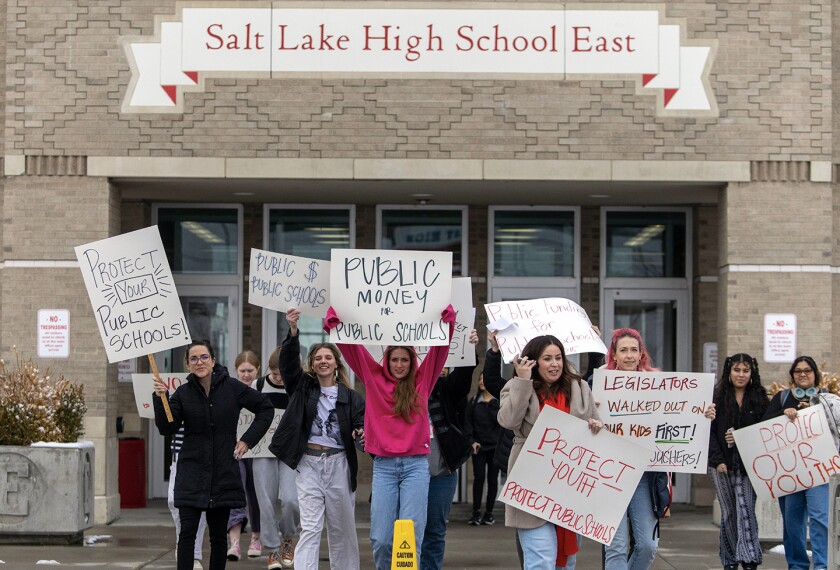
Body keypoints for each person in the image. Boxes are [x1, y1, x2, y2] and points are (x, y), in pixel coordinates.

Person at [324, 304, 456, 570]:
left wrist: (448, 324)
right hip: (384, 467)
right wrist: (336, 326)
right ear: (387, 360)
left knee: (410, 537)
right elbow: (354, 350)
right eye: (394, 359)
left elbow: (440, 351)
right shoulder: (373, 378)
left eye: (404, 360)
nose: (399, 365)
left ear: (412, 361)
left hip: (416, 467)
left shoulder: (423, 381)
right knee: (383, 539)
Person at [153, 340, 274, 570]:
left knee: (218, 537)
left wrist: (248, 440)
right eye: (194, 359)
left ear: (214, 360)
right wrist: (160, 399)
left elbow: (265, 408)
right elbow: (166, 428)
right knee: (187, 535)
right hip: (191, 473)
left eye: (204, 357)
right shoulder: (183, 393)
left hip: (223, 472)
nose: (199, 362)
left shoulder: (232, 388)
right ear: (188, 364)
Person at [602, 327, 716, 570]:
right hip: (609, 474)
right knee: (616, 547)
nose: (629, 355)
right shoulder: (598, 384)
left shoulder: (660, 386)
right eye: (623, 350)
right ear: (614, 355)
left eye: (634, 350)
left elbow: (683, 414)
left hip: (645, 476)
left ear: (641, 353)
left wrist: (703, 413)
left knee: (647, 546)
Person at [268, 308, 365, 570]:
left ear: (336, 363)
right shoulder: (302, 388)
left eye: (328, 357)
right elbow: (287, 365)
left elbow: (360, 425)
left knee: (342, 528)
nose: (323, 361)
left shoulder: (350, 396)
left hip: (339, 464)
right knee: (310, 527)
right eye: (318, 358)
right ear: (312, 363)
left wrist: (361, 434)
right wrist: (293, 330)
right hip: (309, 463)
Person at [497, 335, 604, 570]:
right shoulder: (515, 386)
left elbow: (597, 428)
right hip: (532, 484)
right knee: (540, 560)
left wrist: (596, 428)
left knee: (566, 565)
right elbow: (508, 421)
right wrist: (523, 382)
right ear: (534, 361)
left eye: (558, 358)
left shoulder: (580, 387)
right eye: (547, 358)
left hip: (569, 487)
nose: (555, 364)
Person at [762, 355, 829, 570]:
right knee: (793, 523)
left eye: (807, 370)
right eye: (798, 371)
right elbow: (763, 426)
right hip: (790, 472)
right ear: (792, 375)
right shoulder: (781, 398)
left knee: (820, 520)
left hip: (819, 470)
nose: (803, 374)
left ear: (815, 374)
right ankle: (797, 565)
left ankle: (821, 565)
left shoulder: (828, 398)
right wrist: (783, 413)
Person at [421, 328, 479, 570]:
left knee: (434, 530)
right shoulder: (400, 388)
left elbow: (462, 381)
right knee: (403, 529)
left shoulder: (444, 390)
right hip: (404, 472)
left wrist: (468, 351)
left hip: (440, 474)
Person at [708, 353, 767, 570]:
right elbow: (708, 431)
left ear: (752, 373)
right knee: (729, 512)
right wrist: (717, 460)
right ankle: (730, 560)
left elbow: (765, 430)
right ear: (729, 372)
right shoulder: (716, 397)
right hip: (720, 463)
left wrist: (741, 435)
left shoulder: (759, 398)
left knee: (745, 508)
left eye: (746, 371)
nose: (741, 375)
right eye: (737, 370)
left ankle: (750, 559)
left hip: (748, 464)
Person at [252, 346, 301, 570]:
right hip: (263, 450)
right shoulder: (259, 386)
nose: (279, 378)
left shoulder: (297, 386)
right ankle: (272, 550)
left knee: (291, 500)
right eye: (274, 373)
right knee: (265, 502)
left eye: (282, 373)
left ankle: (288, 537)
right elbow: (246, 416)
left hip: (289, 452)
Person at [226, 351, 263, 561]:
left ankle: (256, 536)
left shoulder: (263, 390)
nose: (247, 375)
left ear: (257, 370)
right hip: (235, 450)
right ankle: (235, 543)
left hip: (259, 451)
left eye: (250, 371)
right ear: (236, 371)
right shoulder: (229, 391)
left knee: (255, 493)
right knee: (235, 492)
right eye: (243, 371)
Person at [167, 424, 208, 570]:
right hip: (179, 451)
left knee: (199, 504)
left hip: (202, 451)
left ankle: (194, 554)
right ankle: (183, 545)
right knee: (174, 501)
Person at [464, 372, 501, 526]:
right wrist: (472, 441)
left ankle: (489, 513)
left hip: (494, 447)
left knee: (493, 480)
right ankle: (476, 513)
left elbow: (501, 422)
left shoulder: (497, 402)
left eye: (484, 379)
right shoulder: (473, 401)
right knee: (479, 478)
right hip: (479, 447)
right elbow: (467, 423)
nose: (481, 382)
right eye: (479, 379)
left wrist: (491, 404)